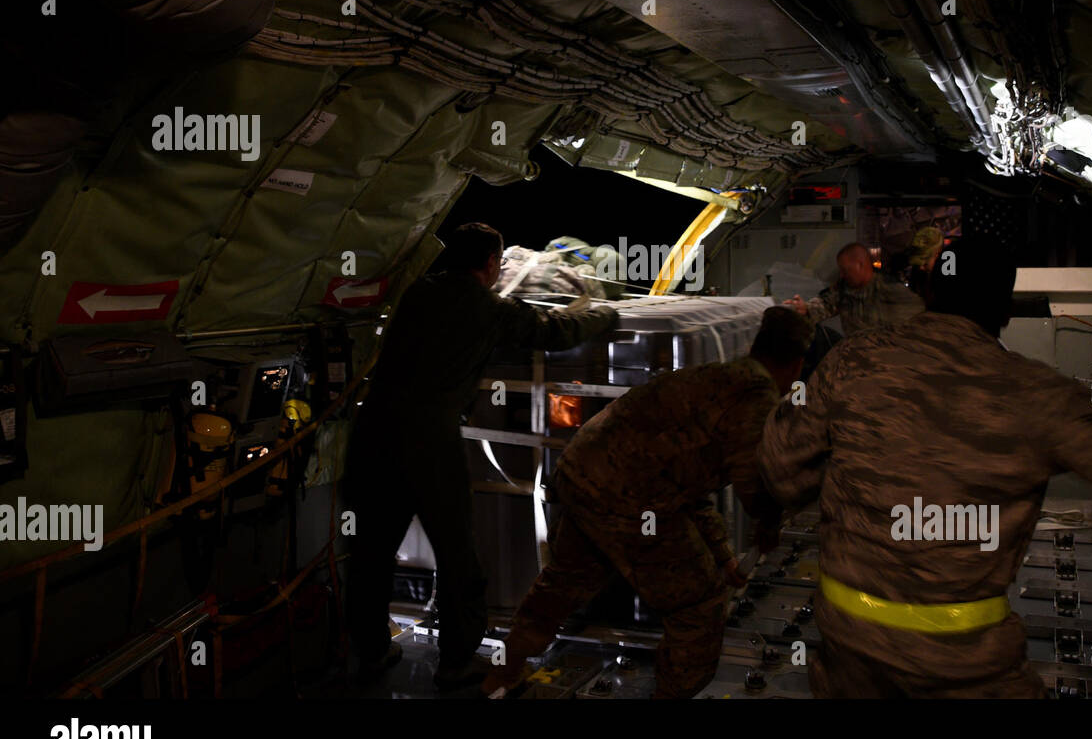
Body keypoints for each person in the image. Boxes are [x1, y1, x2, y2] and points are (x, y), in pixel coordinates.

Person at [759, 240, 1092, 698]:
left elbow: (780, 468)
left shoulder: (848, 361)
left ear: (927, 295)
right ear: (1006, 311)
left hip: (848, 659)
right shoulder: (1034, 393)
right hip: (963, 667)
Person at [482, 306, 814, 698]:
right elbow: (753, 485)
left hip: (585, 475)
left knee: (562, 585)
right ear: (796, 365)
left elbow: (686, 485)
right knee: (700, 605)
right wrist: (769, 524)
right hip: (628, 497)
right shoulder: (754, 395)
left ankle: (502, 673)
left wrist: (723, 554)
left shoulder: (716, 376)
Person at [343, 222, 618, 685]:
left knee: (371, 551)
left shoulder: (415, 294)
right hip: (428, 443)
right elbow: (555, 330)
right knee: (457, 554)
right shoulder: (486, 308)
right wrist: (602, 314)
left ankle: (369, 653)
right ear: (491, 264)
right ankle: (455, 662)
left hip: (372, 434)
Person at [785, 241, 923, 337]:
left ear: (860, 265)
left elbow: (917, 322)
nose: (842, 275)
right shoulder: (844, 288)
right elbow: (827, 304)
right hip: (857, 355)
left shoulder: (891, 289)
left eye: (845, 270)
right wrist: (806, 309)